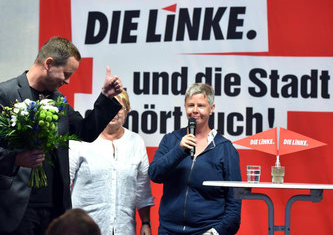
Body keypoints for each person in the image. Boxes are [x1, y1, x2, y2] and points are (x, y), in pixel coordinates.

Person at [0, 36, 123, 235]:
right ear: (49, 63)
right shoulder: (5, 93)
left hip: (55, 209)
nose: (67, 81)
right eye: (66, 73)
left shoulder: (59, 100)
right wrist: (16, 159)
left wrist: (105, 98)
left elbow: (86, 131)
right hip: (17, 209)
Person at [149, 83, 242, 235]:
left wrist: (216, 232)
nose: (195, 110)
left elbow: (235, 202)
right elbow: (154, 174)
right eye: (190, 105)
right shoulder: (171, 140)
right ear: (185, 107)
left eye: (201, 105)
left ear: (211, 108)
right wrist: (179, 150)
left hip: (207, 231)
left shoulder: (226, 148)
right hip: (168, 230)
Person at [69, 89, 154, 235]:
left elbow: (143, 189)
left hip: (124, 228)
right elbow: (64, 182)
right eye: (110, 106)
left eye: (119, 107)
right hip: (83, 229)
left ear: (127, 111)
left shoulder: (136, 142)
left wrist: (146, 222)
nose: (114, 111)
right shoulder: (81, 140)